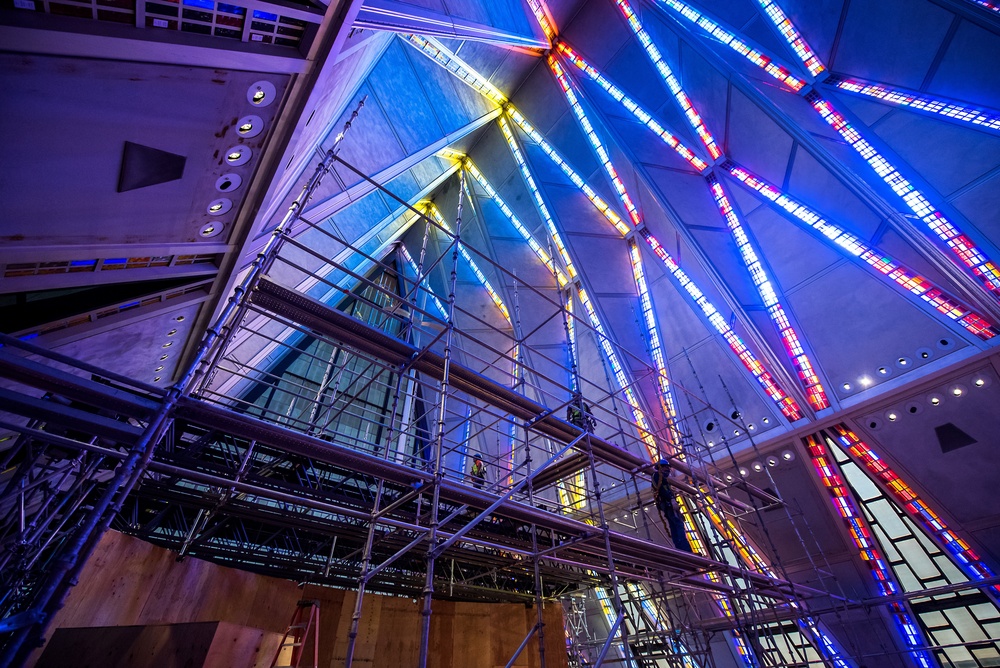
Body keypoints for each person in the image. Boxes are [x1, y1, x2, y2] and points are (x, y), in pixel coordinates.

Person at [651, 459, 692, 553]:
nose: (668, 470)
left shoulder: (662, 479)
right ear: (661, 467)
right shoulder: (657, 476)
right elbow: (661, 490)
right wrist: (671, 499)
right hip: (668, 504)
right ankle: (685, 550)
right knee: (678, 524)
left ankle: (680, 549)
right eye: (666, 468)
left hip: (666, 504)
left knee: (674, 526)